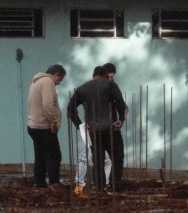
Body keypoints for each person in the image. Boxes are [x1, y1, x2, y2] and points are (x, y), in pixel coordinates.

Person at [66, 62, 127, 192]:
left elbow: (70, 110)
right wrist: (121, 119)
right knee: (117, 157)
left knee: (98, 159)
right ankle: (115, 186)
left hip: (93, 130)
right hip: (111, 129)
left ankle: (100, 188)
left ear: (93, 75)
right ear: (105, 75)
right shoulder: (110, 85)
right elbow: (120, 103)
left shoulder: (82, 88)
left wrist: (80, 125)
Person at [25, 63, 66, 188]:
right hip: (43, 126)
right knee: (54, 155)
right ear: (56, 75)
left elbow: (29, 102)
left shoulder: (36, 81)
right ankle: (54, 183)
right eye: (60, 80)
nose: (58, 83)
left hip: (33, 125)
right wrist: (54, 121)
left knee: (40, 156)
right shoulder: (48, 82)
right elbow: (48, 104)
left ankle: (39, 182)